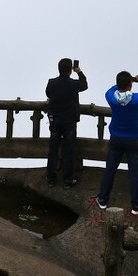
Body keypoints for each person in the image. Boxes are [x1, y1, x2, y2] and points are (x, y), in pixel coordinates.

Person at [95, 71, 138, 215]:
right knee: (134, 172)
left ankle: (102, 199)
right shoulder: (136, 99)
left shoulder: (112, 98)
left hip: (115, 138)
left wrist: (122, 83)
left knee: (110, 169)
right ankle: (136, 205)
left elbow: (110, 90)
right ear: (130, 85)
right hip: (133, 140)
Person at [45, 58, 88, 188]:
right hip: (69, 120)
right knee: (69, 149)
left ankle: (50, 178)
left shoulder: (51, 83)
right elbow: (84, 85)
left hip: (54, 119)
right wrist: (79, 72)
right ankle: (67, 179)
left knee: (53, 149)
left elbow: (48, 93)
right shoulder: (73, 84)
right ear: (70, 70)